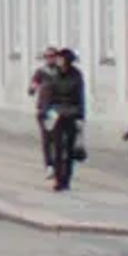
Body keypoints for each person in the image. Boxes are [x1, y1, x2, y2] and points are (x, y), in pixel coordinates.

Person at [44, 47, 86, 193]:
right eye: (58, 59)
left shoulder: (76, 75)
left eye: (61, 59)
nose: (58, 61)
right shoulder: (54, 74)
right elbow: (49, 94)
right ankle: (57, 179)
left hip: (71, 114)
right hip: (56, 114)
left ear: (67, 61)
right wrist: (47, 111)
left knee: (68, 149)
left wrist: (81, 117)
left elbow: (80, 97)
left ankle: (66, 179)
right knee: (56, 147)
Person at [28, 47, 57, 170]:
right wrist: (33, 88)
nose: (49, 58)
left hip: (57, 109)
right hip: (44, 109)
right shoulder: (40, 72)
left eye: (52, 56)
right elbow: (32, 87)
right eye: (47, 56)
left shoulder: (61, 72)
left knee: (58, 137)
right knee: (47, 138)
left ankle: (58, 162)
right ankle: (49, 163)